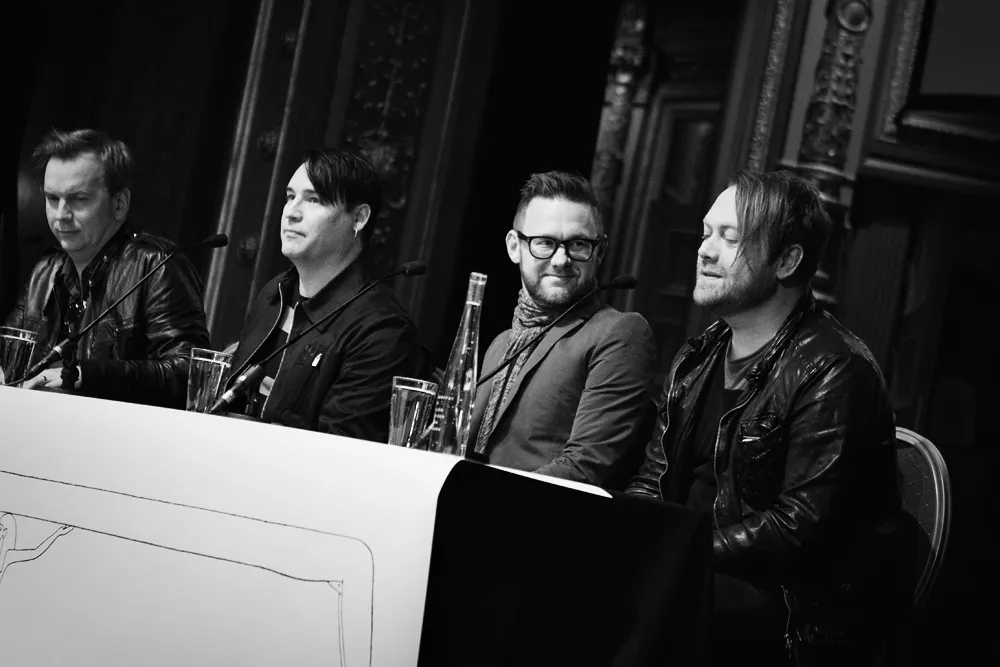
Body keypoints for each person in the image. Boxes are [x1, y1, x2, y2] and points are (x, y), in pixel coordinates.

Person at [626, 170, 903, 665]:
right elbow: (655, 477)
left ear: (787, 260)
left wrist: (677, 551)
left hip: (789, 608)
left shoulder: (835, 369)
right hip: (696, 566)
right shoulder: (697, 358)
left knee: (634, 606)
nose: (705, 250)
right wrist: (630, 534)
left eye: (729, 237)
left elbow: (798, 530)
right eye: (706, 233)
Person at [467, 171, 656, 488]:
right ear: (514, 247)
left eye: (578, 244)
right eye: (544, 243)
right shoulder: (501, 345)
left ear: (600, 250)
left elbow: (583, 469)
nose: (561, 259)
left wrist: (480, 499)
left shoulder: (619, 333)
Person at [223, 148, 425, 442]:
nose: (291, 212)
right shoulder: (276, 292)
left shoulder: (382, 331)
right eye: (290, 196)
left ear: (358, 218)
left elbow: (339, 453)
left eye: (314, 200)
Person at [3, 129, 211, 408]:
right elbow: (9, 350)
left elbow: (187, 373)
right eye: (52, 199)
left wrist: (83, 375)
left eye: (79, 199)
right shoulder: (45, 270)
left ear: (119, 204)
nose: (61, 215)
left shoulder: (157, 265)